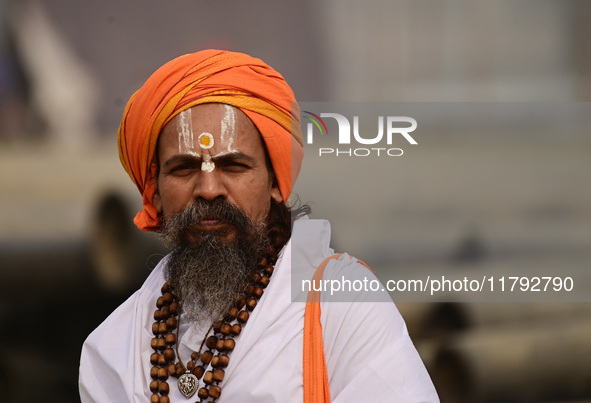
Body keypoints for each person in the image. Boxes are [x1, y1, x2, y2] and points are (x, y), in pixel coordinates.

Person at [79, 49, 439, 403]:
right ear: (155, 192)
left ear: (274, 181)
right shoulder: (114, 350)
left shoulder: (342, 306)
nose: (208, 190)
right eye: (184, 168)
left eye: (234, 166)